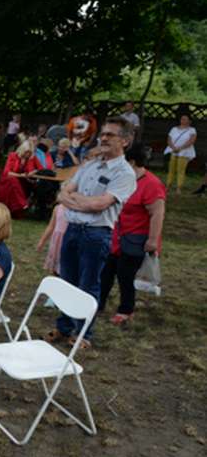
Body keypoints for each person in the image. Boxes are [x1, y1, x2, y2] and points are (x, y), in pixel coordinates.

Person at [47, 116, 137, 348]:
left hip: (96, 235)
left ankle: (83, 334)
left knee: (88, 285)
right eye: (103, 134)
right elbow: (62, 193)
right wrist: (79, 200)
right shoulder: (90, 165)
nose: (103, 138)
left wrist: (74, 200)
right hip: (73, 229)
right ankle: (63, 327)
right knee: (67, 281)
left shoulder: (124, 173)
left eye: (110, 135)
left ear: (125, 141)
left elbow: (100, 205)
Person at [98, 145, 165, 326]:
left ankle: (126, 310)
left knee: (125, 275)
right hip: (115, 236)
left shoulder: (151, 184)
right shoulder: (122, 179)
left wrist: (152, 240)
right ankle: (98, 303)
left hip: (135, 239)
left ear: (132, 162)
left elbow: (157, 213)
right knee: (105, 272)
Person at [164, 113, 196, 194]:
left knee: (181, 170)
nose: (183, 120)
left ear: (190, 121)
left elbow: (191, 141)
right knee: (171, 169)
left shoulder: (192, 130)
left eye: (185, 119)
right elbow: (169, 139)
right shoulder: (174, 129)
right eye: (182, 119)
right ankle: (168, 186)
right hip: (173, 151)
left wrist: (180, 148)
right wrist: (173, 148)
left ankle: (179, 187)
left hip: (184, 152)